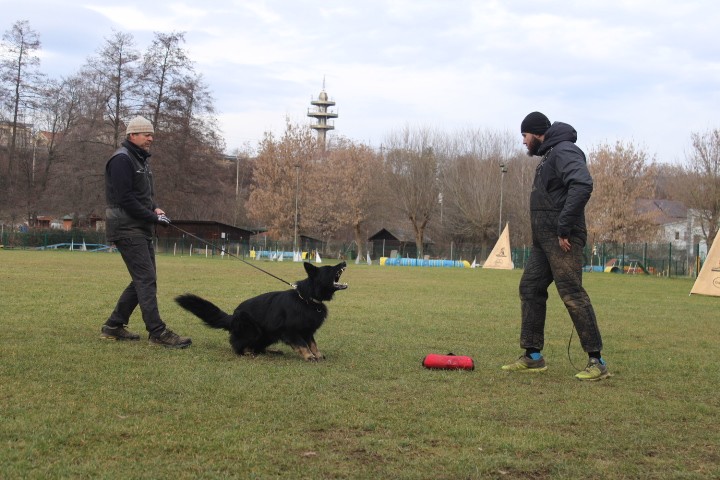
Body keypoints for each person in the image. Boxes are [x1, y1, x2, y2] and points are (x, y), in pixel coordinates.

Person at [501, 112, 608, 381]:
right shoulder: (550, 154)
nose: (524, 143)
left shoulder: (564, 151)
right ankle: (533, 356)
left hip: (563, 238)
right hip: (544, 241)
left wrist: (564, 227)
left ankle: (597, 361)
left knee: (572, 293)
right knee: (530, 288)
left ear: (537, 133)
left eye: (524, 136)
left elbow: (582, 184)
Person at [100, 116, 192, 348]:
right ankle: (157, 332)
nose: (150, 138)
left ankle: (114, 325)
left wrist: (154, 208)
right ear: (133, 135)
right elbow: (125, 199)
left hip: (139, 227)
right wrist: (153, 217)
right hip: (127, 228)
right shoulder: (122, 159)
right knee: (146, 279)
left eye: (151, 134)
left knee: (143, 279)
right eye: (146, 134)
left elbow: (141, 196)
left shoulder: (139, 159)